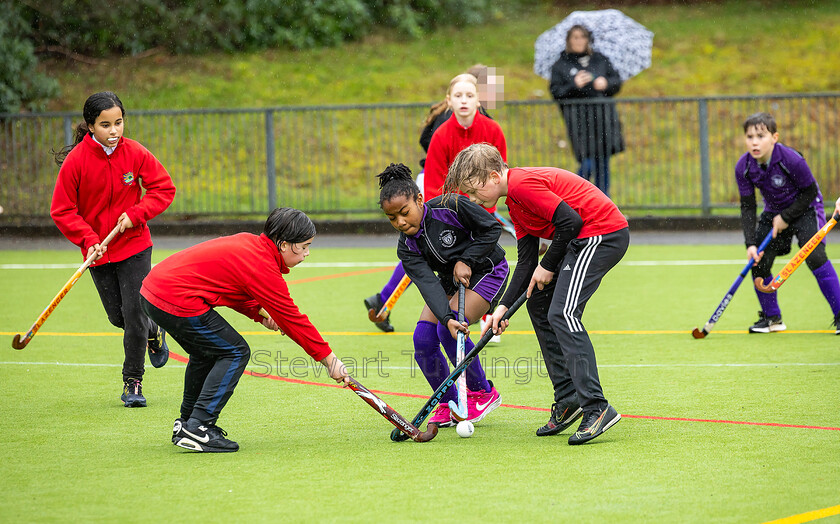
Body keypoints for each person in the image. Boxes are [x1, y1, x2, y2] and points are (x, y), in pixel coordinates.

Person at [444, 143, 629, 445]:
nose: (473, 199)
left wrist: (548, 264)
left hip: (601, 234)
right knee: (540, 304)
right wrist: (501, 308)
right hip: (579, 239)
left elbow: (571, 222)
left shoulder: (521, 185)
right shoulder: (514, 203)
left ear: (493, 176)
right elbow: (527, 261)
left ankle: (597, 407)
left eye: (474, 191)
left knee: (564, 313)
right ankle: (568, 397)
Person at [140, 208, 351, 452]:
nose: (307, 253)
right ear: (283, 245)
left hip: (153, 293)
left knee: (206, 352)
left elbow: (233, 289)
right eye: (303, 246)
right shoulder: (261, 263)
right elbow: (292, 319)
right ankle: (200, 426)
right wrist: (330, 360)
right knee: (235, 351)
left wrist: (260, 315)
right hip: (175, 298)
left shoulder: (252, 246)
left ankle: (187, 423)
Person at [50, 91, 176, 408]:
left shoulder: (135, 153)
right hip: (98, 252)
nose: (114, 130)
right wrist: (88, 238)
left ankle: (133, 382)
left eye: (118, 122)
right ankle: (152, 330)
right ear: (91, 126)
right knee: (119, 318)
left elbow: (163, 189)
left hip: (134, 246)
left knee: (133, 315)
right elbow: (62, 210)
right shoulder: (76, 162)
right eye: (105, 125)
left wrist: (135, 214)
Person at [364, 72, 507, 335]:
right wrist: (446, 213)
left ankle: (486, 313)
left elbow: (498, 172)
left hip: (477, 205)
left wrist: (483, 206)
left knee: (478, 256)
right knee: (422, 249)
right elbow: (435, 182)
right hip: (444, 204)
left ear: (479, 100)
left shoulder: (492, 129)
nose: (464, 100)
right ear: (449, 101)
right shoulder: (442, 133)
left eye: (470, 95)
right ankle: (384, 299)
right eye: (458, 95)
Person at [377, 163, 506, 427]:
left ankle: (482, 392)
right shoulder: (407, 248)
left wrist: (467, 259)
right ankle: (450, 402)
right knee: (423, 340)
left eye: (404, 212)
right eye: (392, 219)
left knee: (449, 331)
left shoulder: (451, 206)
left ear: (419, 200)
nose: (400, 222)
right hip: (449, 282)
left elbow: (491, 229)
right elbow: (428, 285)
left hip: (488, 270)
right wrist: (446, 316)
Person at [736, 112, 840, 334]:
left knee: (814, 255)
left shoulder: (791, 159)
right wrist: (750, 244)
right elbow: (747, 206)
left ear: (774, 137)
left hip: (807, 208)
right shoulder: (744, 167)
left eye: (761, 136)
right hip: (774, 212)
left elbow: (810, 191)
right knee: (759, 261)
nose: (754, 142)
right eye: (750, 136)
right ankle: (772, 318)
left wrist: (786, 217)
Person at [549, 24, 624, 196]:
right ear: (568, 40)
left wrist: (605, 83)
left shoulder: (600, 59)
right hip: (579, 121)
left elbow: (616, 82)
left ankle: (604, 202)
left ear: (588, 39)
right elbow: (556, 92)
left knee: (603, 162)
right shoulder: (561, 65)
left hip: (603, 118)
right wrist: (573, 85)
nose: (579, 41)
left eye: (582, 36)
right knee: (587, 161)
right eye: (575, 37)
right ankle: (570, 196)